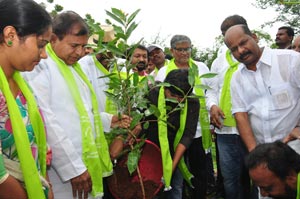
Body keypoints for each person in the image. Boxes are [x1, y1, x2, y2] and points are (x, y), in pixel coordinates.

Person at [23, 11, 131, 199]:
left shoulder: (74, 68)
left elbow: (81, 112)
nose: (80, 53)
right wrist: (72, 168)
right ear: (54, 39)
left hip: (84, 161)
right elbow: (47, 121)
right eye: (74, 46)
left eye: (83, 46)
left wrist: (108, 120)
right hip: (62, 171)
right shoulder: (40, 66)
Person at [0, 0, 53, 198]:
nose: (45, 55)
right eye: (41, 45)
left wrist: (44, 184)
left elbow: (35, 143)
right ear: (11, 35)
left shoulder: (22, 86)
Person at [225, 24, 300, 153]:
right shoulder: (237, 78)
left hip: (295, 148)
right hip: (264, 154)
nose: (241, 50)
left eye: (243, 43)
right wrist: (255, 154)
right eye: (234, 49)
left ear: (254, 37)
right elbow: (240, 115)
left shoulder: (291, 60)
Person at [156, 35, 210, 199]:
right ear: (172, 51)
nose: (185, 53)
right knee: (177, 175)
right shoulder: (164, 71)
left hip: (198, 129)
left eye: (188, 48)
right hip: (173, 132)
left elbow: (209, 93)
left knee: (199, 171)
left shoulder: (201, 68)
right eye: (180, 49)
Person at [206, 14, 252, 199]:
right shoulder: (219, 62)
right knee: (229, 178)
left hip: (250, 128)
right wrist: (213, 106)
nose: (228, 37)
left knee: (254, 174)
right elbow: (211, 90)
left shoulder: (251, 57)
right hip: (225, 129)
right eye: (224, 34)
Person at [141, 68, 200, 198]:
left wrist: (171, 167)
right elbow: (140, 124)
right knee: (148, 188)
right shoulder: (152, 94)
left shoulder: (192, 102)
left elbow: (187, 135)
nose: (178, 101)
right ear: (165, 88)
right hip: (149, 149)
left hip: (175, 149)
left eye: (182, 97)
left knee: (174, 188)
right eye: (174, 96)